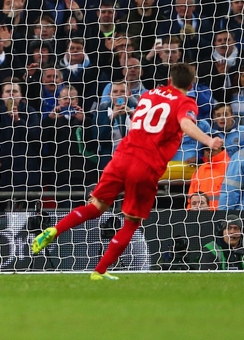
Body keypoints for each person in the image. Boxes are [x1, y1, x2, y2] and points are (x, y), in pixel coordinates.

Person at [32, 63, 225, 280]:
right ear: (191, 84)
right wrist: (209, 140)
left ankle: (53, 231)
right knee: (132, 222)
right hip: (146, 164)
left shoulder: (150, 94)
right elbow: (186, 123)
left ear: (170, 79)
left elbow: (136, 124)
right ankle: (99, 271)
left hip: (122, 155)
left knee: (95, 207)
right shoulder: (186, 101)